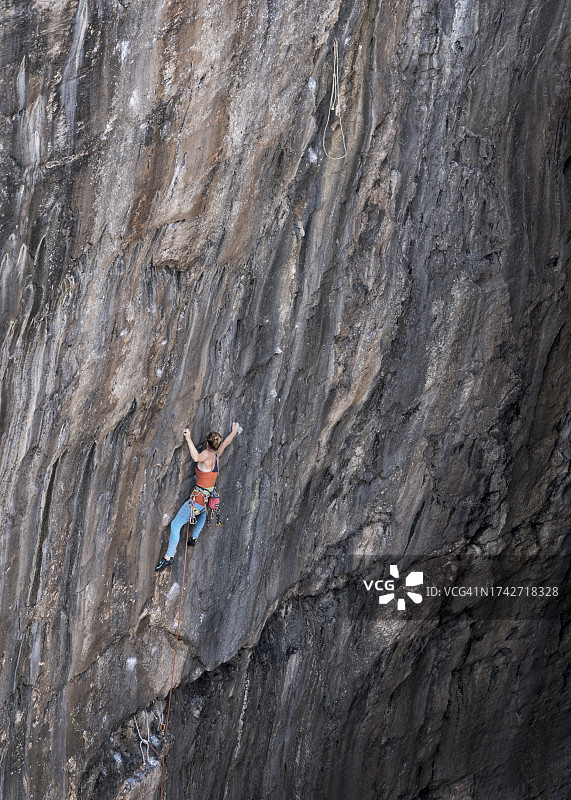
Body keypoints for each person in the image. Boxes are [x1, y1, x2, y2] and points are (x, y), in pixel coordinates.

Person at [155, 423, 240, 572]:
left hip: (198, 499)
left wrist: (188, 438)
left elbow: (195, 457)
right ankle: (193, 538)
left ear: (207, 443)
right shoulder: (216, 455)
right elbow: (226, 443)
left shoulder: (207, 455)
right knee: (202, 512)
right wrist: (233, 431)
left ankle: (168, 557)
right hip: (207, 498)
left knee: (176, 525)